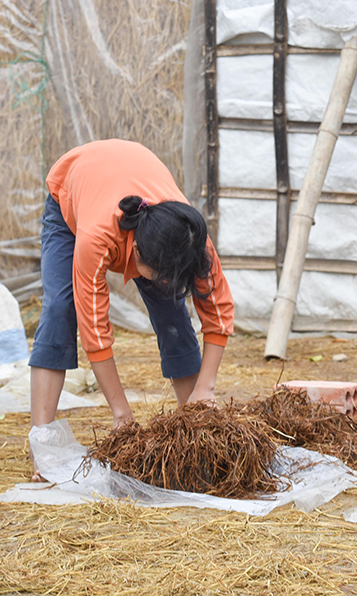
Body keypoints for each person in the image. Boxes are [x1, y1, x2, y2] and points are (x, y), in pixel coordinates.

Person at [29, 139, 234, 481]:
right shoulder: (97, 238)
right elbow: (95, 330)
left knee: (173, 315)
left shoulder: (189, 238)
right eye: (162, 276)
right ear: (136, 252)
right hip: (71, 193)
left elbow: (219, 314)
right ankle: (43, 444)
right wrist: (120, 412)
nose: (168, 283)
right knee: (58, 310)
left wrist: (206, 390)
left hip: (136, 187)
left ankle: (195, 430)